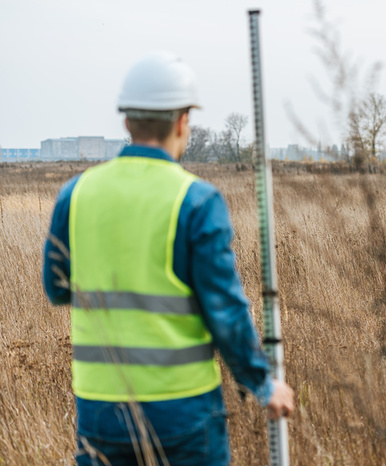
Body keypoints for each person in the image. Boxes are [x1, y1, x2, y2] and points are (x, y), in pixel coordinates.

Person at [43, 51, 294, 465]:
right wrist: (263, 383)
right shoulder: (196, 200)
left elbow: (56, 288)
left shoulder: (76, 193)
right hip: (182, 412)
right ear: (183, 123)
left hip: (99, 412)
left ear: (126, 122)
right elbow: (225, 311)